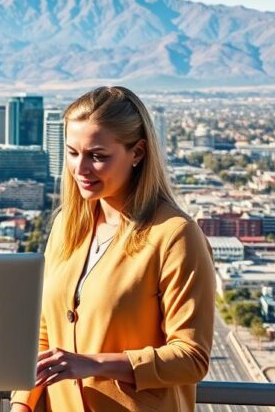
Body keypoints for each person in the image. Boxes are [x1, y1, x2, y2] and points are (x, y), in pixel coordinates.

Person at [11, 86, 214, 412]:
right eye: (72, 152)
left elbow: (191, 357)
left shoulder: (174, 235)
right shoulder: (67, 225)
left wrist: (95, 364)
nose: (80, 169)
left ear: (137, 153)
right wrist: (23, 403)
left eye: (97, 156)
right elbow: (46, 330)